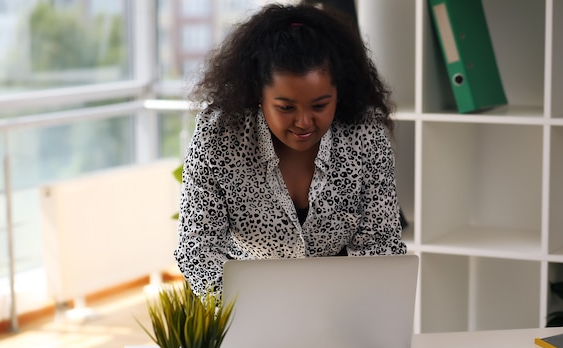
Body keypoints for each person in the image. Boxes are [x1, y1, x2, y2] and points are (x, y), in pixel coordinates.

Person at [174, 2, 407, 296]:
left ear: (339, 93)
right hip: (243, 302)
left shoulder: (366, 134)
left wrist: (359, 312)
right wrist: (244, 312)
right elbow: (198, 248)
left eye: (320, 105)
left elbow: (381, 244)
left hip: (340, 303)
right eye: (286, 107)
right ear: (259, 93)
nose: (303, 122)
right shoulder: (219, 136)